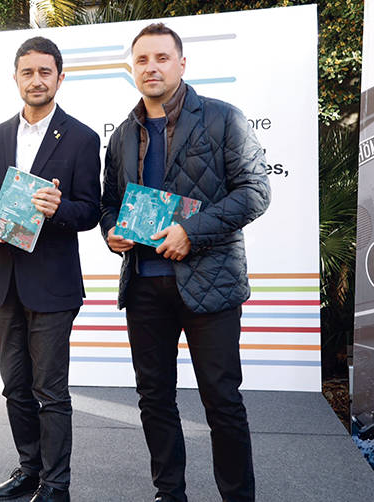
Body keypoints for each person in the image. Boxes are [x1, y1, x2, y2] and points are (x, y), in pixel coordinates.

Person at [99, 23, 270, 502]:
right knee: (154, 400)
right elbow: (108, 203)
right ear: (132, 68)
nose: (151, 68)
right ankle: (168, 493)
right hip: (144, 286)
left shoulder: (221, 119)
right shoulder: (122, 135)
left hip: (209, 284)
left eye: (161, 58)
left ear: (181, 64)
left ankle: (238, 496)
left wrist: (190, 233)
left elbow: (256, 193)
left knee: (222, 402)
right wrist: (111, 231)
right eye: (142, 60)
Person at [0, 37, 101, 502]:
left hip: (53, 286)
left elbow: (91, 210)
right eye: (27, 72)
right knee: (15, 387)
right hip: (6, 283)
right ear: (16, 78)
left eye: (45, 72)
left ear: (60, 78)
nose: (36, 80)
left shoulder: (83, 137)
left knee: (51, 391)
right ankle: (28, 470)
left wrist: (58, 208)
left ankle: (56, 484)